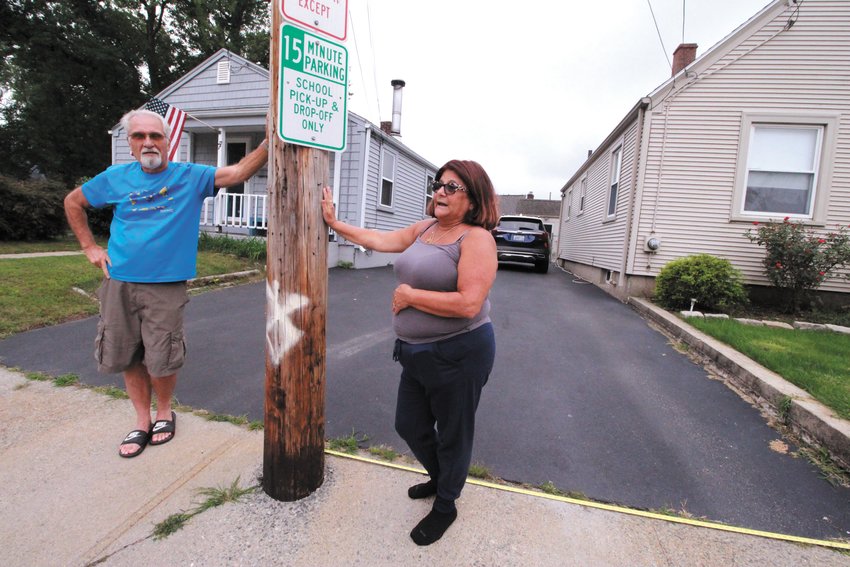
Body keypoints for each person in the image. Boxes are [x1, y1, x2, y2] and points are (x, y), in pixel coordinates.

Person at [64, 108, 269, 458]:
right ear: (129, 144)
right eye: (139, 136)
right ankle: (141, 420)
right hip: (119, 282)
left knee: (162, 356)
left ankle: (164, 412)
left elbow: (238, 171)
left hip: (166, 285)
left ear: (169, 141)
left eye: (155, 136)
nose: (148, 142)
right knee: (128, 355)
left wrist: (269, 139)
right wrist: (90, 247)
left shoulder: (189, 176)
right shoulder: (115, 177)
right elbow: (74, 201)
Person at [321, 159, 499, 545]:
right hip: (415, 352)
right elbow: (380, 240)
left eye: (453, 187)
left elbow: (470, 303)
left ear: (473, 199)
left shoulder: (476, 239)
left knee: (453, 431)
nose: (440, 192)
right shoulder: (426, 229)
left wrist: (409, 295)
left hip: (460, 352)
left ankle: (446, 503)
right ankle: (440, 477)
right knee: (410, 424)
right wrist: (335, 224)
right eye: (439, 184)